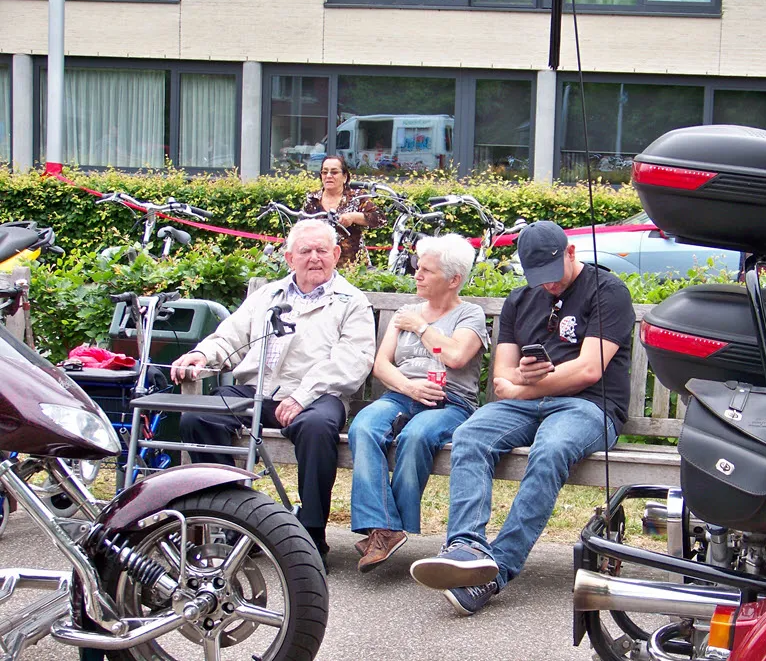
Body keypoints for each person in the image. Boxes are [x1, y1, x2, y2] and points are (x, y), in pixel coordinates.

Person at [409, 220, 635, 616]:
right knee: (471, 435)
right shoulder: (520, 299)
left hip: (589, 406)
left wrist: (521, 387)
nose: (547, 284)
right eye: (537, 276)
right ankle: (465, 549)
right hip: (527, 404)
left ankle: (495, 571)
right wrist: (518, 380)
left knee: (551, 450)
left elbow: (588, 370)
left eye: (552, 273)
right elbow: (503, 375)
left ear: (571, 253)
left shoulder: (608, 292)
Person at [170, 219, 376, 566]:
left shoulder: (351, 302)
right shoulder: (268, 295)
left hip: (317, 396)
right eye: (305, 251)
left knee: (316, 428)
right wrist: (203, 354)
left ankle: (311, 537)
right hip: (257, 392)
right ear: (289, 257)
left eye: (322, 250)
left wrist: (302, 395)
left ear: (337, 254)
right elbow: (231, 336)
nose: (315, 258)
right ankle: (237, 521)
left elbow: (352, 361)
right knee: (198, 417)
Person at [349, 233, 488, 573]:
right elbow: (381, 365)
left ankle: (385, 531)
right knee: (363, 426)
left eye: (427, 270)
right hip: (402, 394)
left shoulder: (469, 315)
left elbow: (455, 357)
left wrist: (422, 328)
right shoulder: (406, 312)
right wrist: (409, 387)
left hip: (449, 402)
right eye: (417, 267)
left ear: (453, 280)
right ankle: (386, 528)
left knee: (416, 435)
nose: (417, 275)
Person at [302, 154, 385, 267]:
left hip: (353, 266)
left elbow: (380, 219)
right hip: (319, 264)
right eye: (325, 172)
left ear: (345, 177)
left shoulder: (356, 197)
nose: (328, 176)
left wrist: (354, 217)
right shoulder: (312, 199)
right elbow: (300, 229)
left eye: (334, 172)